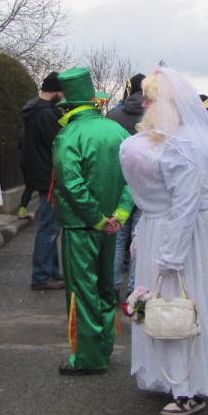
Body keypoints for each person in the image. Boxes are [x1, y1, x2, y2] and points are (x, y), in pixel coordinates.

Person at [119, 67, 208, 415]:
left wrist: (170, 256)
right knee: (161, 306)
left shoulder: (184, 146)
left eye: (152, 98)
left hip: (183, 238)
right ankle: (167, 375)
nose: (145, 104)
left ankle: (190, 386)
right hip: (158, 229)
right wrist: (142, 234)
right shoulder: (156, 141)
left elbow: (185, 207)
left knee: (183, 304)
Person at [52, 66, 134, 375]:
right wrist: (119, 215)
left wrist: (98, 219)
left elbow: (71, 185)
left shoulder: (68, 136)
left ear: (68, 104)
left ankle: (89, 357)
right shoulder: (118, 131)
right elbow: (133, 177)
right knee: (104, 287)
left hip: (81, 227)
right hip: (111, 225)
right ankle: (104, 347)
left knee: (83, 291)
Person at [19, 72, 66, 292]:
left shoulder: (34, 110)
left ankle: (50, 270)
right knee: (48, 227)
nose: (63, 96)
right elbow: (57, 144)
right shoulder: (46, 114)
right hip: (49, 177)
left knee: (51, 226)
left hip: (40, 174)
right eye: (61, 92)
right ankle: (42, 275)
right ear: (55, 90)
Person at [108, 73, 146, 296]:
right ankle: (134, 290)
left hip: (119, 183)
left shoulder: (113, 115)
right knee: (140, 239)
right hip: (145, 184)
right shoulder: (154, 114)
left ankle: (112, 287)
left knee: (118, 236)